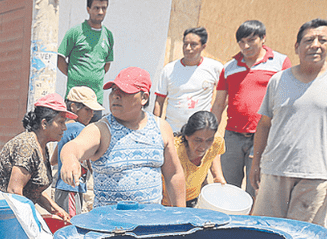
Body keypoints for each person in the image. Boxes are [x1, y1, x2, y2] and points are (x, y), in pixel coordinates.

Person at [250, 19, 327, 226]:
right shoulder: (278, 80)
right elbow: (264, 124)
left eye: (322, 40)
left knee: (302, 237)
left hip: (316, 175)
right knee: (264, 231)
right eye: (309, 40)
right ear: (297, 46)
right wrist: (256, 161)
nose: (316, 45)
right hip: (275, 169)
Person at [60, 67, 186, 208]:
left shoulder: (161, 127)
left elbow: (174, 174)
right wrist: (70, 159)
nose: (115, 96)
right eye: (113, 90)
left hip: (150, 224)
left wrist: (181, 214)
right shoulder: (101, 129)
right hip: (110, 226)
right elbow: (75, 146)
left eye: (124, 92)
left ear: (144, 98)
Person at [211, 20, 290, 197]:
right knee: (227, 187)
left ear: (263, 38)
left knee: (256, 187)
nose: (246, 46)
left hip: (263, 136)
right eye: (241, 42)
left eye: (251, 40)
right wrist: (210, 131)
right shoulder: (229, 68)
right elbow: (218, 104)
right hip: (232, 137)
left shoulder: (280, 63)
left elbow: (287, 101)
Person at [0, 93, 74, 219]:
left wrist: (56, 209)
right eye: (61, 122)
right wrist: (32, 220)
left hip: (11, 212)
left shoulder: (41, 147)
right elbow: (14, 192)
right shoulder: (27, 146)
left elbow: (34, 190)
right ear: (44, 124)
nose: (64, 128)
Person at [154, 27, 223, 133]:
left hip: (200, 134)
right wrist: (155, 128)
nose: (187, 48)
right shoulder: (169, 69)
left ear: (203, 46)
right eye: (185, 44)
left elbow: (224, 97)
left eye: (193, 44)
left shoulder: (215, 68)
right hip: (172, 130)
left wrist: (213, 122)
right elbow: (159, 101)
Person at [51, 86, 102, 216]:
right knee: (72, 224)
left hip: (61, 187)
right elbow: (91, 160)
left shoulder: (65, 128)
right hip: (71, 187)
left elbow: (53, 160)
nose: (92, 114)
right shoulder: (80, 128)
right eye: (87, 109)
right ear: (73, 107)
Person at [58, 0, 113, 107]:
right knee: (72, 125)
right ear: (88, 9)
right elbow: (60, 59)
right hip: (75, 99)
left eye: (104, 8)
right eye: (96, 8)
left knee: (94, 126)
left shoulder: (108, 35)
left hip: (95, 100)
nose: (100, 12)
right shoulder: (75, 32)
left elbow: (106, 65)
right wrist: (74, 74)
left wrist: (94, 76)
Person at [164, 111, 226, 208]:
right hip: (168, 202)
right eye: (198, 140)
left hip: (193, 197)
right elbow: (170, 186)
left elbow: (214, 153)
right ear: (187, 136)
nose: (203, 146)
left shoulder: (216, 141)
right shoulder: (174, 152)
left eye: (209, 140)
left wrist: (218, 176)